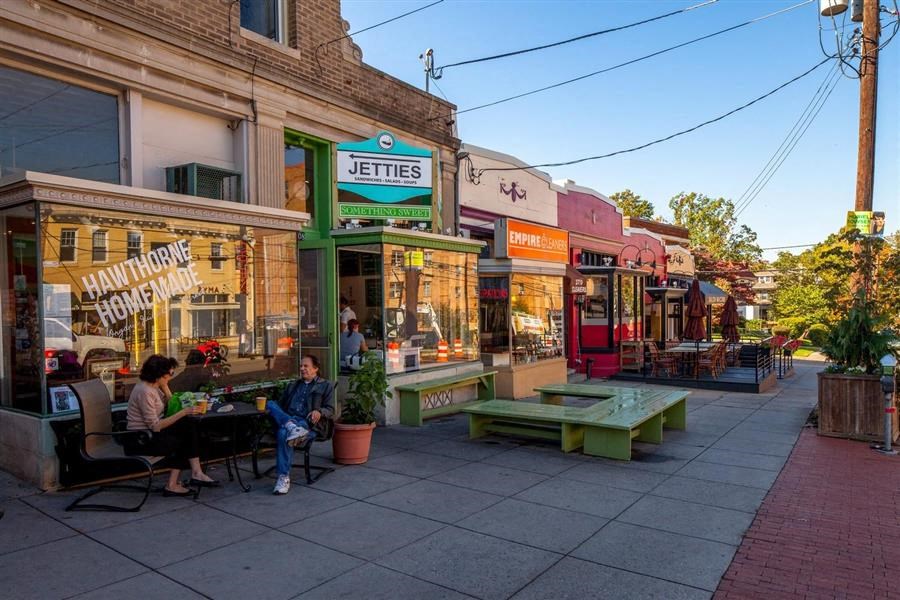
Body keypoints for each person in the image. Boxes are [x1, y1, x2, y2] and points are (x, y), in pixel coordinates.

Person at [125, 354, 218, 497]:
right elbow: (155, 426)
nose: (171, 375)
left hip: (149, 434)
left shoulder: (154, 387)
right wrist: (184, 412)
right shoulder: (145, 392)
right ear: (159, 375)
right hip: (140, 439)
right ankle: (175, 483)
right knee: (182, 436)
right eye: (169, 373)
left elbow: (170, 403)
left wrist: (165, 385)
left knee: (188, 425)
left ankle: (195, 473)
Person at [265, 355, 335, 495]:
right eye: (301, 366)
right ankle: (291, 426)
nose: (302, 369)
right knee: (270, 404)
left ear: (315, 368)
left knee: (283, 433)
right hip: (290, 418)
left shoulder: (325, 385)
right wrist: (281, 415)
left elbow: (331, 409)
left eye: (306, 366)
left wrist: (319, 411)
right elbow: (280, 405)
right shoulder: (293, 385)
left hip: (307, 423)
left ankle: (283, 477)